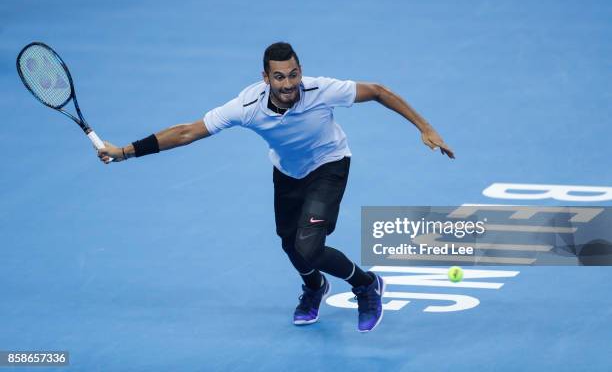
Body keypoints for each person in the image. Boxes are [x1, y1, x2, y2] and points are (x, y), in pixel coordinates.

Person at [97, 42, 454, 333]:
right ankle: (314, 288)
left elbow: (377, 91)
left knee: (309, 247)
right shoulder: (246, 106)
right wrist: (126, 152)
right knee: (289, 243)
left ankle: (366, 284)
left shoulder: (321, 90)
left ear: (301, 71)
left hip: (329, 165)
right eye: (279, 77)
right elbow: (187, 131)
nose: (288, 84)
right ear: (265, 78)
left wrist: (424, 127)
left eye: (294, 74)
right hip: (288, 173)